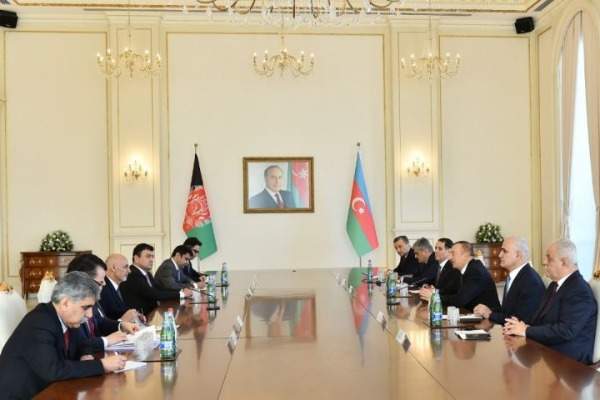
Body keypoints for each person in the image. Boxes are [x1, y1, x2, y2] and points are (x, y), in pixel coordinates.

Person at [0, 272, 126, 399]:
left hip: (50, 390)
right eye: (86, 307)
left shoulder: (68, 319)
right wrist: (102, 365)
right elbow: (54, 370)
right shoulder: (40, 322)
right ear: (65, 303)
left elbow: (82, 344)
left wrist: (83, 355)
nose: (90, 315)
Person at [503, 239, 597, 364]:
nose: (544, 262)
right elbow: (539, 318)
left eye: (549, 258)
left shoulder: (579, 290)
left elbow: (566, 331)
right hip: (548, 350)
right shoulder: (554, 285)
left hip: (569, 362)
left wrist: (525, 330)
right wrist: (520, 325)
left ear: (564, 262)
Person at [66, 254, 138, 353]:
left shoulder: (91, 299)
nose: (104, 284)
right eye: (100, 282)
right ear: (83, 281)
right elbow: (79, 345)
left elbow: (100, 322)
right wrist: (106, 341)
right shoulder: (70, 306)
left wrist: (122, 325)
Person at [474, 237, 545, 325]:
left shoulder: (531, 282)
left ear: (518, 255)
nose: (500, 255)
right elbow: (507, 311)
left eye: (505, 251)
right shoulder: (516, 276)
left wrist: (490, 314)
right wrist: (487, 310)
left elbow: (520, 320)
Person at [420, 241, 501, 312]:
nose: (449, 257)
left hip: (489, 320)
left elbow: (460, 300)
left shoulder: (475, 271)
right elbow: (452, 291)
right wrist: (435, 292)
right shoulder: (466, 269)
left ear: (465, 255)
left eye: (453, 253)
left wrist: (434, 297)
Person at [120, 243, 192, 315]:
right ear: (136, 258)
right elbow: (153, 294)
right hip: (140, 317)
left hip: (151, 313)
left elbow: (159, 289)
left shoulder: (148, 274)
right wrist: (180, 294)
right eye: (148, 256)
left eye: (152, 257)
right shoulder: (132, 274)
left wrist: (181, 291)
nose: (151, 260)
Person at [100, 253, 146, 322]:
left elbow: (123, 311)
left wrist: (136, 315)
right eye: (125, 267)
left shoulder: (121, 286)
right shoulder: (102, 289)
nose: (129, 271)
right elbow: (102, 322)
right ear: (113, 268)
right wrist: (122, 321)